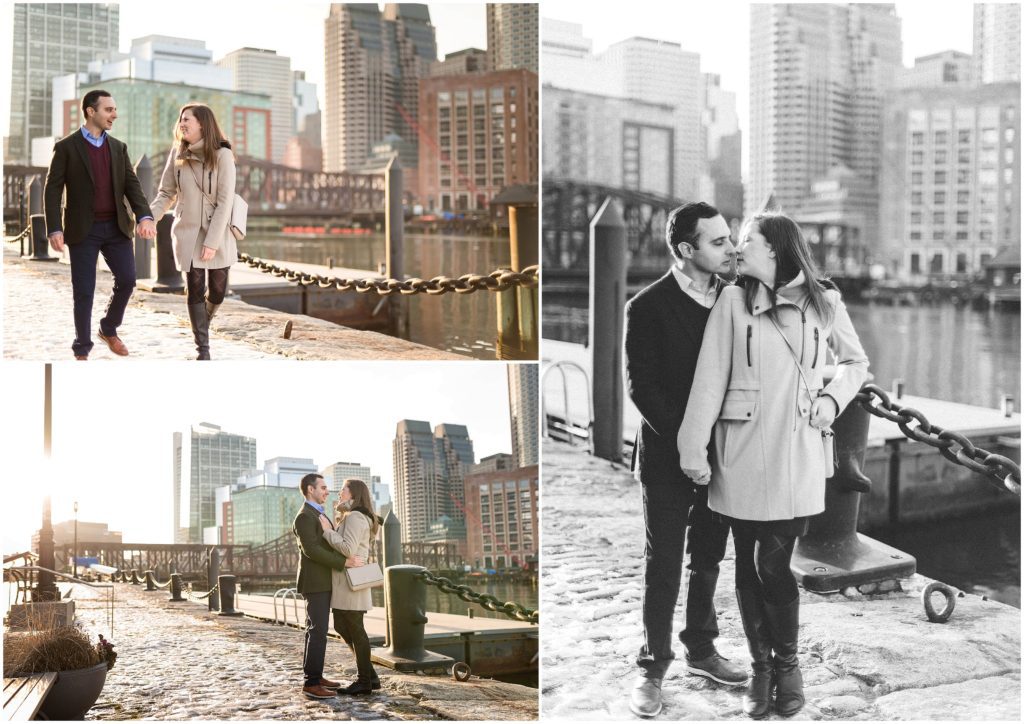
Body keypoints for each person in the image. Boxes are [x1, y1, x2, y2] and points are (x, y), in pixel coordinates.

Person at [677, 212, 869, 719]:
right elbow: (709, 379)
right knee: (746, 565)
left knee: (773, 564)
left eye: (748, 241)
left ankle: (788, 666)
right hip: (740, 452)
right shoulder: (732, 302)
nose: (739, 249)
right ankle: (762, 671)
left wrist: (830, 402)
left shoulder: (823, 302)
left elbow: (855, 364)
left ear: (777, 249)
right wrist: (692, 449)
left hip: (796, 453)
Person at [623, 201, 747, 718]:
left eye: (729, 238)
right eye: (717, 242)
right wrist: (688, 444)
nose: (730, 248)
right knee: (665, 563)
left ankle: (701, 648)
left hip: (724, 455)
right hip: (667, 456)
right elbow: (641, 390)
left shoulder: (736, 299)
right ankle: (652, 668)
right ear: (685, 249)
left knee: (709, 559)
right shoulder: (647, 306)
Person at [44, 89, 156, 360]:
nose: (114, 115)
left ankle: (108, 327)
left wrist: (145, 215)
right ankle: (82, 349)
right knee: (84, 290)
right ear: (90, 111)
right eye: (108, 110)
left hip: (116, 228)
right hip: (84, 230)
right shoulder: (66, 147)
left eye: (115, 109)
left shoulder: (118, 148)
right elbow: (52, 189)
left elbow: (132, 186)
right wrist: (54, 228)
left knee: (128, 280)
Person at [149, 103, 237, 360]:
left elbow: (225, 202)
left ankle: (202, 327)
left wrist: (212, 242)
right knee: (195, 288)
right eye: (180, 119)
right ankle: (203, 349)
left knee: (218, 291)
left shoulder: (223, 155)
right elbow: (166, 192)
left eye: (187, 119)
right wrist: (148, 219)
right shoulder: (178, 153)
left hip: (217, 232)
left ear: (202, 124)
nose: (182, 123)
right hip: (188, 231)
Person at [293, 473, 363, 700]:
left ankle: (315, 676)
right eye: (323, 487)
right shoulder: (304, 516)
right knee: (318, 631)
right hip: (315, 583)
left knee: (316, 630)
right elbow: (311, 550)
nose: (327, 491)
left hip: (325, 581)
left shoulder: (319, 514)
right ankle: (311, 683)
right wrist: (344, 562)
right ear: (310, 490)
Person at [319, 479, 381, 695]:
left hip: (351, 580)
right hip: (346, 581)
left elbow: (347, 548)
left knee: (356, 629)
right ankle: (371, 676)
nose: (339, 492)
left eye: (343, 489)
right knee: (342, 626)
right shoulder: (351, 515)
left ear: (353, 494)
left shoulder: (355, 517)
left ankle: (364, 680)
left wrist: (327, 531)